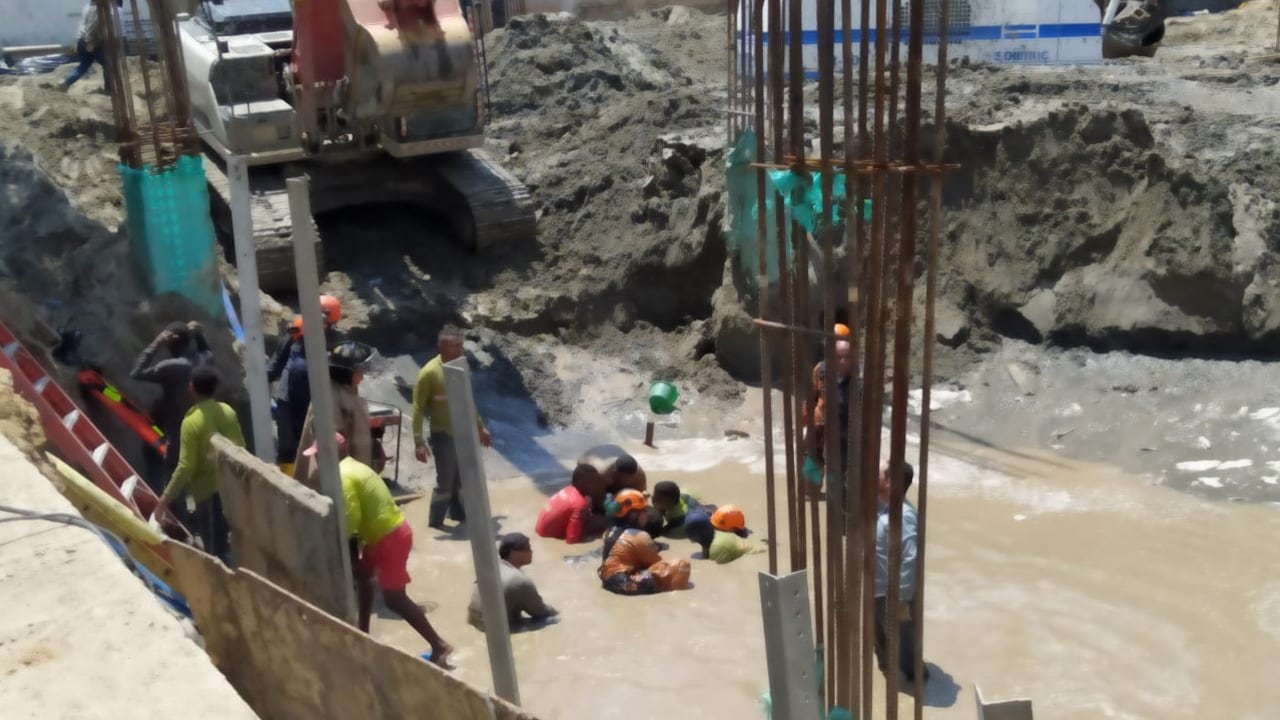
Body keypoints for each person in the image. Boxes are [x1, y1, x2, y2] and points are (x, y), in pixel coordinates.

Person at [306, 432, 453, 667]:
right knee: (364, 578)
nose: (316, 461)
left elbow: (350, 520)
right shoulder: (354, 466)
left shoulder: (343, 476)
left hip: (389, 537)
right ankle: (363, 635)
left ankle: (440, 646)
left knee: (394, 599)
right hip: (386, 533)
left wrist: (328, 542)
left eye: (318, 456)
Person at [155, 365, 244, 562]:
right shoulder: (227, 411)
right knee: (230, 545)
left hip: (207, 496)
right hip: (231, 491)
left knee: (215, 554)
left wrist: (163, 502)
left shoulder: (191, 422)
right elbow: (240, 449)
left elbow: (186, 466)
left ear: (192, 387)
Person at [411, 326, 492, 529]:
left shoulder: (460, 367)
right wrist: (418, 442)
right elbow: (418, 408)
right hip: (443, 435)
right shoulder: (429, 373)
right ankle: (435, 523)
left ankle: (459, 516)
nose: (460, 349)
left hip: (463, 433)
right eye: (455, 346)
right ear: (442, 347)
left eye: (461, 345)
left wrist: (480, 427)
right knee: (445, 482)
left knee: (462, 479)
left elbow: (468, 401)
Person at [129, 320, 213, 494]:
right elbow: (207, 351)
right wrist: (198, 335)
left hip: (176, 431)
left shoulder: (173, 367)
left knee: (166, 470)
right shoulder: (205, 360)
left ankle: (164, 507)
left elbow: (136, 373)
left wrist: (155, 343)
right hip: (200, 426)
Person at [267, 295, 342, 476]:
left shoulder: (322, 337)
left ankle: (304, 481)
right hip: (293, 399)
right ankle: (291, 483)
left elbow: (275, 366)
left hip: (304, 400)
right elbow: (275, 366)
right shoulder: (297, 333)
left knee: (303, 447)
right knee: (292, 448)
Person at [292, 341, 376, 488]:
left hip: (353, 471)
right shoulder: (328, 396)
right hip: (334, 477)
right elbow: (335, 443)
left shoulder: (348, 388)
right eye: (360, 372)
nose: (362, 377)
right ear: (346, 373)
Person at [874, 460, 927, 684]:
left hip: (893, 595)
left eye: (880, 471)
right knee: (881, 642)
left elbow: (909, 558)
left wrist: (903, 600)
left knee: (904, 651)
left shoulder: (903, 515)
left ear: (890, 482)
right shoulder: (884, 507)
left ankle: (919, 683)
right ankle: (889, 676)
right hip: (877, 590)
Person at [597, 490, 691, 596]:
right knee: (681, 565)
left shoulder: (608, 531)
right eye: (643, 511)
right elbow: (657, 564)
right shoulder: (639, 536)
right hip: (627, 584)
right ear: (633, 515)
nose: (647, 514)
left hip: (608, 580)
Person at [467, 532, 558, 632]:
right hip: (499, 632)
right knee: (552, 620)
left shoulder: (491, 566)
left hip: (476, 624)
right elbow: (542, 612)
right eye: (527, 548)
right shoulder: (520, 580)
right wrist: (560, 612)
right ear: (514, 553)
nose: (531, 551)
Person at [535, 464, 608, 543]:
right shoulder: (579, 503)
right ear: (582, 482)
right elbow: (572, 539)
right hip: (549, 537)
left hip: (540, 531)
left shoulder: (567, 490)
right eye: (594, 482)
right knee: (602, 521)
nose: (597, 485)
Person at [64, 1, 115, 91]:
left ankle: (66, 83)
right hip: (91, 43)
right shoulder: (98, 10)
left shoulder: (92, 9)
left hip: (85, 41)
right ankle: (109, 90)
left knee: (83, 66)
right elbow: (92, 27)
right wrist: (90, 42)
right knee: (108, 64)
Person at [685, 505, 758, 564]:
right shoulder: (740, 533)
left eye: (717, 528)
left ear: (732, 529)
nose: (713, 529)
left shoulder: (732, 543)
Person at [579, 445, 647, 496]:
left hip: (616, 452)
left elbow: (642, 495)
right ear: (616, 473)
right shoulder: (601, 473)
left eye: (630, 479)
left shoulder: (639, 476)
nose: (628, 481)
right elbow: (598, 499)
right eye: (626, 479)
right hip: (593, 455)